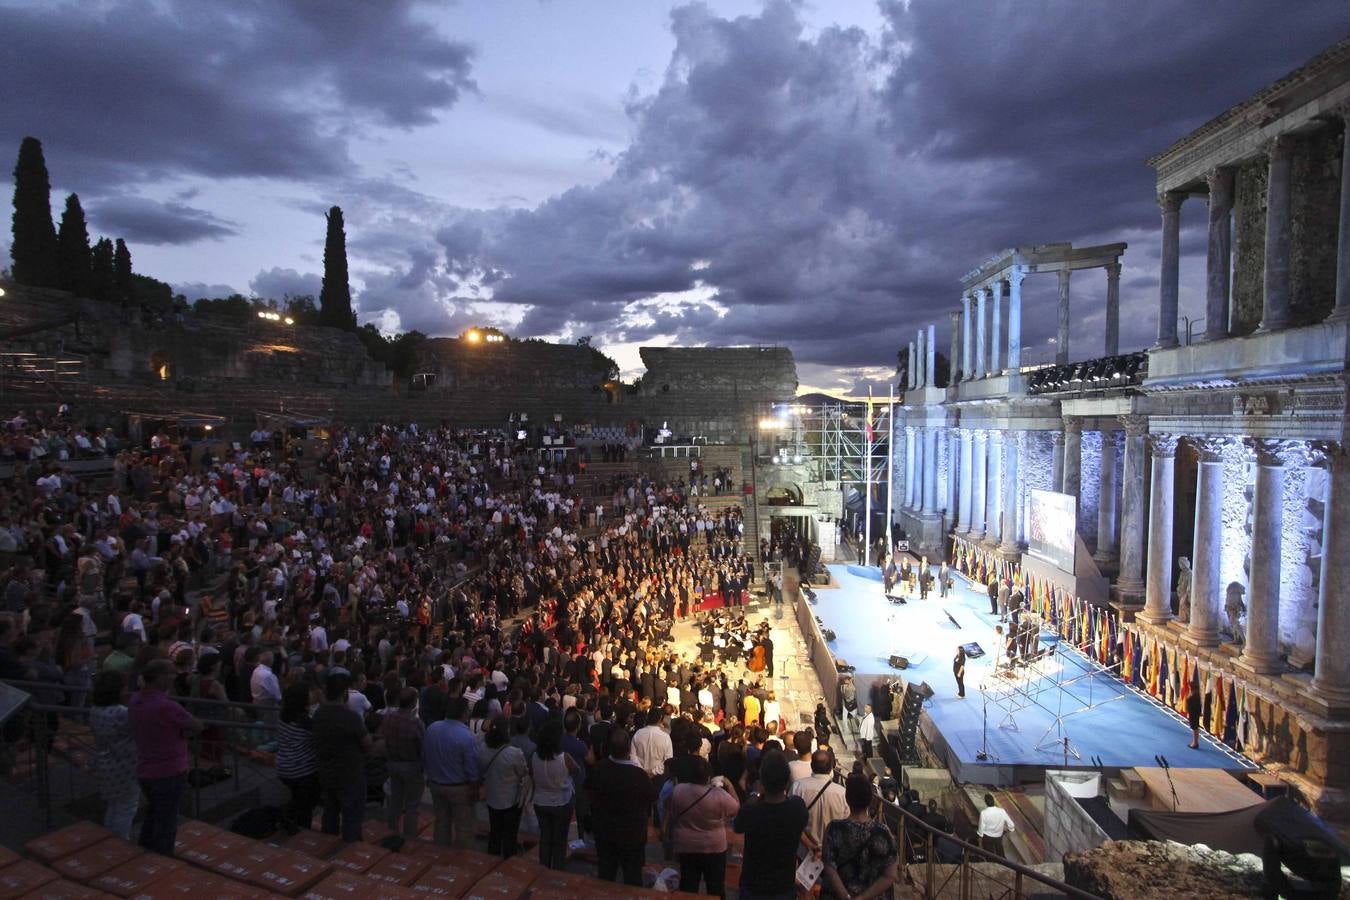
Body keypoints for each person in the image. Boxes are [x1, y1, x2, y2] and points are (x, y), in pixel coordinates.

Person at [127, 658, 202, 855]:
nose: (174, 677)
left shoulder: (135, 699)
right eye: (171, 674)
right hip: (169, 771)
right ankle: (162, 859)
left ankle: (145, 850)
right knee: (167, 821)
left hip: (145, 769)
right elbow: (196, 725)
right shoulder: (167, 706)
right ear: (159, 678)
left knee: (154, 812)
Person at [734, 748, 808, 900]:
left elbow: (738, 826)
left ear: (762, 780)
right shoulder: (797, 807)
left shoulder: (751, 810)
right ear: (787, 781)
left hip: (753, 885)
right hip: (784, 885)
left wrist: (755, 794)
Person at [588, 726, 656, 885]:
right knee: (632, 877)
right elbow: (652, 797)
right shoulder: (639, 775)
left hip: (605, 831)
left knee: (606, 875)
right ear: (628, 749)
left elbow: (589, 792)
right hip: (632, 835)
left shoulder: (599, 769)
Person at [312, 669, 371, 843]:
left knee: (330, 810)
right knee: (352, 815)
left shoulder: (319, 713)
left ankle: (327, 846)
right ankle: (350, 852)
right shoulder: (350, 717)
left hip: (326, 769)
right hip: (349, 772)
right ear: (344, 693)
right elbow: (366, 742)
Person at [671, 757, 740, 898]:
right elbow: (735, 807)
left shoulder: (679, 790)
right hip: (714, 846)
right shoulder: (719, 795)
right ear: (709, 777)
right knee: (715, 887)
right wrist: (729, 785)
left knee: (688, 887)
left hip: (687, 845)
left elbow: (671, 808)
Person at [822, 774, 898, 900]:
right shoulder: (883, 832)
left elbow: (829, 866)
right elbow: (890, 875)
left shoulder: (834, 829)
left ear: (847, 799)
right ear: (870, 800)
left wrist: (845, 896)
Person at [424, 695, 481, 848]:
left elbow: (426, 754)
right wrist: (475, 789)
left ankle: (440, 855)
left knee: (441, 823)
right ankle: (460, 862)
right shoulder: (467, 737)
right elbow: (472, 769)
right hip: (458, 787)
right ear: (464, 714)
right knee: (463, 828)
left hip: (436, 784)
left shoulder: (432, 728)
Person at [90, 670, 138, 840]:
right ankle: (120, 841)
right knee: (127, 806)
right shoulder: (120, 712)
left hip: (104, 761)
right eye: (124, 687)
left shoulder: (95, 709)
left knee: (114, 803)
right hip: (125, 765)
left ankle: (109, 837)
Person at [530, 718, 579, 870]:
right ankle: (557, 869)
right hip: (561, 802)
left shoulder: (534, 756)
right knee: (559, 839)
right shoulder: (564, 758)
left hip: (541, 801)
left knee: (545, 837)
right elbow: (577, 771)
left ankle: (543, 867)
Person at [380, 687, 426, 839]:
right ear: (414, 703)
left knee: (395, 801)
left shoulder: (388, 717)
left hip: (393, 763)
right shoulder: (415, 723)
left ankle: (392, 832)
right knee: (412, 806)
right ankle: (409, 838)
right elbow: (422, 747)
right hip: (411, 765)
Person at [480, 715, 528, 859]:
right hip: (510, 799)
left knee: (495, 830)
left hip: (492, 796)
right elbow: (523, 772)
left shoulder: (483, 748)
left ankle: (492, 856)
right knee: (510, 833)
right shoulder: (514, 753)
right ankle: (508, 857)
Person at [277, 682, 321, 830]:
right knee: (306, 805)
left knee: (299, 800)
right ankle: (300, 832)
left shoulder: (283, 716)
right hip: (302, 770)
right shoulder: (305, 722)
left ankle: (289, 818)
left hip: (284, 766)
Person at [790, 748, 847, 853]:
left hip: (804, 851)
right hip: (832, 852)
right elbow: (846, 824)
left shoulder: (797, 787)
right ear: (831, 768)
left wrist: (809, 844)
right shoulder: (842, 793)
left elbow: (791, 819)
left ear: (812, 766)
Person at [976, 793, 1016, 858]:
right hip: (998, 836)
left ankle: (992, 865)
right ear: (993, 801)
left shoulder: (984, 813)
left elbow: (981, 827)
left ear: (986, 802)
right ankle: (1004, 865)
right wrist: (1010, 829)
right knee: (1000, 852)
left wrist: (980, 835)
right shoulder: (1002, 811)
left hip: (987, 836)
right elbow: (1011, 824)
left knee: (989, 855)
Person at [1186, 677, 1203, 750]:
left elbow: (1192, 706)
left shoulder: (1193, 696)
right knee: (1194, 728)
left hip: (1193, 714)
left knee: (1194, 728)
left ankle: (1195, 743)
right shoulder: (1196, 695)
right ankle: (1195, 742)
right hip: (1194, 714)